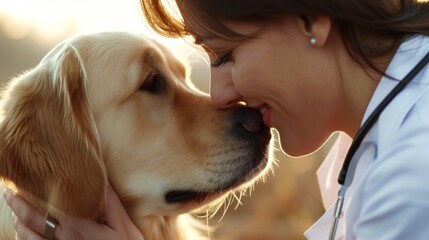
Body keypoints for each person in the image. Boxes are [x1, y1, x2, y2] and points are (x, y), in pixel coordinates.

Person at [3, 0, 429, 239]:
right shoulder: (364, 156)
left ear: (310, 18)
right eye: (156, 85)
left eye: (227, 55)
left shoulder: (410, 179)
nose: (220, 97)